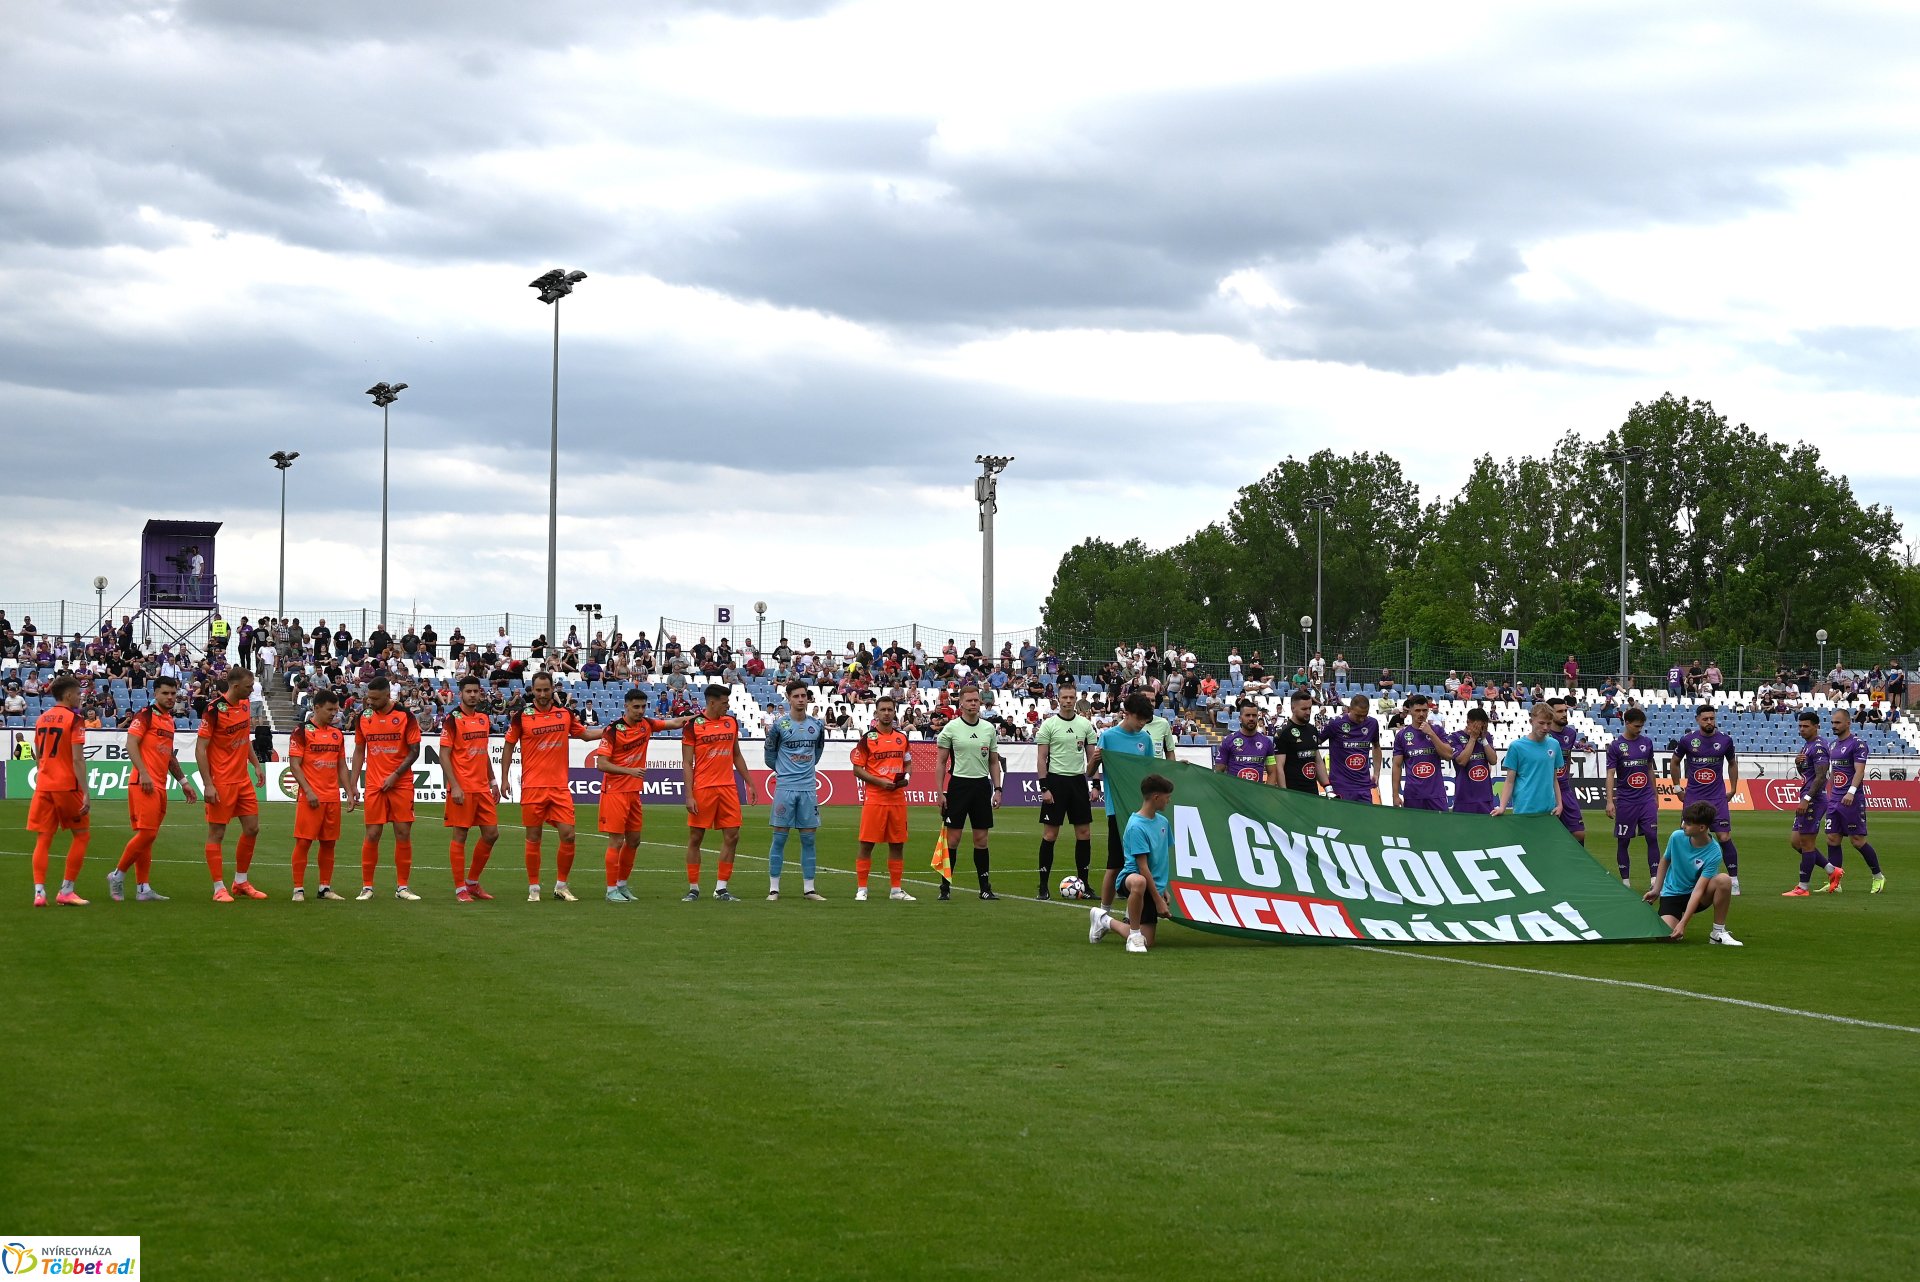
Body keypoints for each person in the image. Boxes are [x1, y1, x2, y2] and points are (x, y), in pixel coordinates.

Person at [499, 670, 601, 902]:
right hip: (533, 787)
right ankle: (534, 888)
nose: (543, 694)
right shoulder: (521, 716)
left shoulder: (565, 714)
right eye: (539, 690)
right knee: (533, 837)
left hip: (559, 788)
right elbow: (508, 746)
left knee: (569, 835)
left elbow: (585, 735)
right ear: (532, 691)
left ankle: (561, 886)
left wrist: (611, 730)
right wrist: (504, 778)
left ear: (553, 689)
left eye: (546, 689)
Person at [592, 688, 691, 902]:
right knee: (616, 841)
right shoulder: (613, 730)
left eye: (643, 707)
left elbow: (674, 723)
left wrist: (700, 717)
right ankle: (610, 890)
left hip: (634, 793)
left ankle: (622, 885)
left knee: (634, 840)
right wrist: (629, 771)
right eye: (636, 707)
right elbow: (601, 764)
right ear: (626, 706)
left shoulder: (647, 724)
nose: (640, 711)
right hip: (615, 792)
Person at [109, 674, 197, 902]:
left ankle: (143, 889)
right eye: (165, 693)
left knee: (148, 837)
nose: (170, 697)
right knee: (147, 833)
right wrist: (144, 773)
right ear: (155, 693)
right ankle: (117, 875)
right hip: (144, 783)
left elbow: (169, 756)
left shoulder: (169, 720)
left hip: (160, 784)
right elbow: (131, 744)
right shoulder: (145, 715)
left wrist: (184, 782)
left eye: (173, 693)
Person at [347, 675, 424, 901]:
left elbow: (415, 751)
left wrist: (396, 775)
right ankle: (367, 887)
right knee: (372, 834)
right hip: (374, 784)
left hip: (401, 783)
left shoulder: (405, 716)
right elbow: (359, 751)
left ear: (388, 695)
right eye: (368, 698)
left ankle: (402, 888)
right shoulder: (364, 717)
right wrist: (353, 783)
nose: (370, 702)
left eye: (375, 698)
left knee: (403, 833)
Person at [196, 668, 265, 902]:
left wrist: (256, 765)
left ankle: (241, 882)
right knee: (217, 833)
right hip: (222, 781)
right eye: (248, 686)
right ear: (235, 686)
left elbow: (244, 739)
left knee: (252, 828)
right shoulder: (214, 710)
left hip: (242, 779)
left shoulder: (245, 705)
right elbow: (200, 749)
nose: (251, 690)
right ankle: (218, 888)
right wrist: (208, 784)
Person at [1088, 773, 1175, 954]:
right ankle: (1134, 935)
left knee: (1148, 941)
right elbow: (1142, 867)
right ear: (1156, 797)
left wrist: (1163, 889)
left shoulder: (1163, 822)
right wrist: (1158, 901)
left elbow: (1160, 860)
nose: (1169, 801)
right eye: (1167, 797)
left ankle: (1103, 921)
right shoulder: (1136, 826)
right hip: (1132, 878)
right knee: (1139, 881)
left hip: (1152, 883)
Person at [1090, 692, 1158, 913]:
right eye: (1139, 718)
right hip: (1117, 810)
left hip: (1141, 812)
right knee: (1115, 864)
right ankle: (1103, 913)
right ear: (1126, 713)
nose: (1142, 723)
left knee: (1142, 863)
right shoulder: (1109, 737)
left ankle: (1132, 913)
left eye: (1145, 720)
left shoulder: (1145, 739)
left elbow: (1152, 772)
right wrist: (1094, 761)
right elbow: (1090, 772)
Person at [682, 684, 752, 901]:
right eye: (724, 702)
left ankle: (721, 888)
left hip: (728, 787)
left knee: (733, 836)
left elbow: (736, 755)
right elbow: (687, 762)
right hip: (703, 788)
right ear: (712, 702)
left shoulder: (731, 722)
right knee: (696, 837)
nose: (727, 706)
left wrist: (750, 783)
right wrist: (689, 795)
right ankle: (693, 888)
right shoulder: (693, 725)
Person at [935, 686, 1004, 900]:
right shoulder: (951, 728)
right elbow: (941, 762)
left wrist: (998, 789)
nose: (974, 703)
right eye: (970, 700)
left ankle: (985, 888)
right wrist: (940, 792)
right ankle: (945, 888)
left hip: (981, 787)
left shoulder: (988, 729)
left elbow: (994, 761)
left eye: (976, 700)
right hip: (959, 786)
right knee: (953, 839)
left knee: (981, 839)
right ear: (961, 703)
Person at [27, 675, 91, 906]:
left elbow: (38, 755)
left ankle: (39, 893)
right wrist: (86, 791)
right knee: (82, 835)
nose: (80, 697)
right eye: (78, 693)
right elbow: (77, 759)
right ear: (68, 695)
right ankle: (66, 890)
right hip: (66, 785)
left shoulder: (42, 718)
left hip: (44, 784)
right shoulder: (75, 719)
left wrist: (45, 773)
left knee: (43, 838)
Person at [1645, 801, 1742, 945]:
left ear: (1702, 827)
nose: (1683, 825)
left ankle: (1718, 932)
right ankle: (1673, 923)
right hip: (1672, 894)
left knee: (1724, 880)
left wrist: (1683, 923)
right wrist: (1656, 890)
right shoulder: (1676, 837)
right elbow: (1665, 860)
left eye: (1688, 824)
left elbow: (1698, 890)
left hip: (1698, 895)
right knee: (1666, 936)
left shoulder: (1714, 852)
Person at [765, 680, 828, 901]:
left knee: (808, 840)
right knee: (779, 838)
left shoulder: (817, 726)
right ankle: (774, 889)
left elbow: (817, 753)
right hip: (785, 788)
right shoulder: (779, 726)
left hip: (808, 789)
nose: (801, 700)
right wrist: (785, 771)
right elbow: (769, 757)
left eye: (804, 696)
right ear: (788, 698)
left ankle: (809, 889)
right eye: (796, 696)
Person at [441, 676, 503, 901]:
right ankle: (460, 889)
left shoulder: (483, 718)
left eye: (476, 691)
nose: (473, 695)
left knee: (492, 834)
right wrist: (455, 786)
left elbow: (483, 752)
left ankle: (472, 882)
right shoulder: (452, 719)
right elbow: (444, 755)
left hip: (482, 787)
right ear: (461, 694)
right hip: (463, 788)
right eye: (468, 691)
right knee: (461, 835)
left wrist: (493, 782)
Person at [849, 694, 915, 902]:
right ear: (876, 713)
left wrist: (907, 778)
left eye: (890, 710)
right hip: (875, 798)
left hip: (897, 799)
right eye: (883, 710)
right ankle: (862, 889)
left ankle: (896, 890)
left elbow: (907, 763)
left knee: (897, 844)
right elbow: (857, 769)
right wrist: (879, 782)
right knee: (867, 844)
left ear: (895, 712)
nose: (886, 713)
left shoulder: (902, 738)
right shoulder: (867, 739)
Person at [1670, 705, 1742, 894]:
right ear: (1697, 720)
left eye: (1712, 718)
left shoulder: (1725, 740)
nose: (1709, 722)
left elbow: (1732, 763)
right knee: (1686, 837)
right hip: (1693, 797)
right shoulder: (1688, 740)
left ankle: (1733, 880)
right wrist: (1677, 788)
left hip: (1717, 797)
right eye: (1705, 719)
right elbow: (1674, 762)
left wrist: (1733, 788)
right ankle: (1684, 879)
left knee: (1724, 837)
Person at [1034, 693, 1099, 899]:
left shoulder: (1085, 725)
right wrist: (1044, 787)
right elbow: (1041, 758)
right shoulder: (1049, 725)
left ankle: (1085, 885)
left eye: (1071, 697)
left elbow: (1092, 757)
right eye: (1065, 697)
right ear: (1059, 699)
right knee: (1050, 835)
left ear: (1075, 699)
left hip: (1078, 782)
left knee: (1084, 834)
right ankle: (1043, 886)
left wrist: (1096, 784)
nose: (1068, 700)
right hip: (1055, 782)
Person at [286, 689, 346, 901]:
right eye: (330, 709)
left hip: (332, 797)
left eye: (336, 709)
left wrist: (349, 790)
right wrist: (308, 790)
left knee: (329, 843)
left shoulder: (337, 734)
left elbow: (341, 766)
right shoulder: (301, 731)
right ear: (317, 707)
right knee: (304, 842)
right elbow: (294, 765)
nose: (334, 713)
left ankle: (324, 888)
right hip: (310, 797)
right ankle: (298, 889)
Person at [1822, 707, 1885, 893]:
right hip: (1835, 799)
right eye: (1832, 722)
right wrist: (1829, 792)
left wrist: (1850, 792)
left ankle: (1878, 876)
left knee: (1857, 840)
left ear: (1848, 723)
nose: (1834, 725)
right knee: (1832, 839)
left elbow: (1860, 771)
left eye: (1838, 722)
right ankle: (1835, 883)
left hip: (1852, 798)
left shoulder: (1857, 744)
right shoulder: (1832, 745)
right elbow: (1834, 772)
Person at [1783, 711, 1839, 896]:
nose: (1802, 729)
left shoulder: (1819, 747)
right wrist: (1798, 763)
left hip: (1814, 799)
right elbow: (1807, 773)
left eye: (1806, 726)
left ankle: (1803, 887)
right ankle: (1832, 870)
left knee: (1807, 843)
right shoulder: (1807, 746)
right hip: (1807, 796)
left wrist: (1807, 799)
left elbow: (1821, 777)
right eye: (1800, 726)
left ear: (1816, 727)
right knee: (1796, 841)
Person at [1604, 708, 1660, 888]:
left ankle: (1655, 879)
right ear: (1626, 723)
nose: (1639, 729)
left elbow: (1649, 769)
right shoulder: (1616, 746)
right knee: (1624, 840)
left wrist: (1655, 794)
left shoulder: (1647, 743)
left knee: (1652, 835)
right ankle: (1625, 882)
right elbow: (1610, 774)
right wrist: (1610, 801)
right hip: (1626, 800)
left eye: (1641, 726)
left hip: (1646, 799)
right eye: (1636, 726)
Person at [1493, 702, 1563, 817]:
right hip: (1524, 809)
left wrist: (1559, 804)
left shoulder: (1554, 744)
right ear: (1531, 722)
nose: (1545, 727)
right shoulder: (1516, 746)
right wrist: (1502, 807)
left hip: (1549, 810)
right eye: (1541, 723)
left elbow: (1554, 779)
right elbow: (1509, 781)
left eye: (1549, 723)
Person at [1389, 694, 1451, 811]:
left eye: (1424, 710)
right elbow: (1397, 765)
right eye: (1417, 710)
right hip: (1413, 795)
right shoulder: (1402, 735)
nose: (1421, 714)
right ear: (1410, 711)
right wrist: (1395, 795)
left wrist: (1431, 734)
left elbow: (1448, 755)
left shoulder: (1437, 730)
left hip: (1436, 794)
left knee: (1442, 823)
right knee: (1413, 823)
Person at [1321, 695, 1382, 803]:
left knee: (1366, 814)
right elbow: (1315, 743)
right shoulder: (1335, 724)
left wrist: (1376, 773)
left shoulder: (1372, 723)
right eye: (1358, 715)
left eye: (1364, 715)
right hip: (1340, 786)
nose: (1361, 719)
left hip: (1363, 785)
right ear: (1350, 709)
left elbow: (1376, 746)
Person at [1542, 697, 1586, 845]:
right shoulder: (1543, 735)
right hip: (1546, 790)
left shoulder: (1571, 734)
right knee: (1546, 835)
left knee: (1579, 833)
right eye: (1560, 711)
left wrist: (1566, 777)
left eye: (1565, 711)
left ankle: (1576, 860)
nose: (1564, 714)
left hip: (1564, 788)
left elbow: (1568, 756)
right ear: (1549, 714)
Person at [1214, 699, 1277, 786]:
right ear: (1240, 718)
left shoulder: (1267, 742)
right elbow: (1218, 771)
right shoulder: (1228, 741)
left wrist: (1267, 792)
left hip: (1257, 793)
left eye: (1254, 715)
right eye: (1247, 715)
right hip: (1233, 792)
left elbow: (1272, 772)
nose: (1251, 718)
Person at [1449, 707, 1499, 814]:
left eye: (1483, 726)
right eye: (1477, 726)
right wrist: (1472, 738)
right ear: (1468, 723)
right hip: (1464, 797)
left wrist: (1484, 739)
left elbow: (1493, 760)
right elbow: (1462, 761)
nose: (1480, 729)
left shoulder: (1486, 736)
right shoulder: (1455, 737)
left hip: (1485, 797)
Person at [1272, 689, 1322, 795]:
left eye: (1310, 708)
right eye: (1304, 709)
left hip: (1312, 792)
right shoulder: (1283, 732)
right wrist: (1284, 793)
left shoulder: (1312, 730)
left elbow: (1318, 761)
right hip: (1293, 793)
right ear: (1293, 708)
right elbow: (1279, 767)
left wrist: (1327, 787)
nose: (1308, 712)